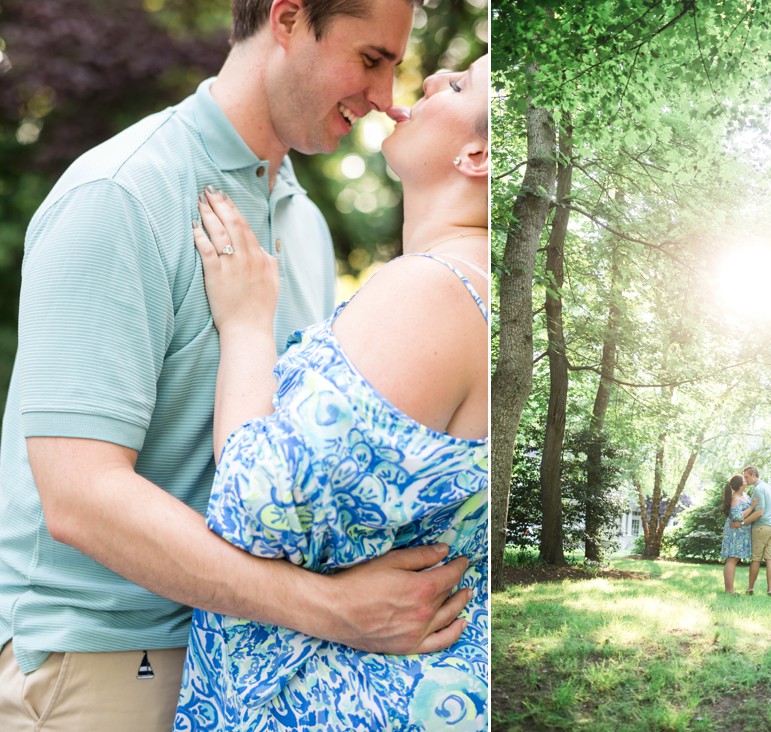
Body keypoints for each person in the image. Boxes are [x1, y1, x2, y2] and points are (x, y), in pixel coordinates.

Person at [0, 2, 471, 729]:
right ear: (287, 19)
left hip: (241, 665)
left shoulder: (303, 225)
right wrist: (334, 611)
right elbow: (78, 497)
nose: (386, 99)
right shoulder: (121, 193)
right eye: (371, 60)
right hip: (107, 666)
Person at [174, 52, 489, 730]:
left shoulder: (433, 293)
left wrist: (248, 323)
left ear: (477, 155)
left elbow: (255, 508)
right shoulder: (479, 295)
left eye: (460, 85)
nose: (432, 80)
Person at [729, 465, 771, 596]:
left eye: (746, 477)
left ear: (753, 475)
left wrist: (741, 523)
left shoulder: (758, 489)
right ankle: (770, 590)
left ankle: (750, 589)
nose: (745, 480)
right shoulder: (769, 487)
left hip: (762, 527)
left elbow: (759, 513)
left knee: (756, 559)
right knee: (770, 560)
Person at [721, 474, 757, 594]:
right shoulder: (736, 498)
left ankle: (729, 590)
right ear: (742, 485)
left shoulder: (744, 495)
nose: (746, 480)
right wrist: (751, 507)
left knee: (735, 559)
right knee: (732, 559)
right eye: (744, 480)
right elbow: (737, 517)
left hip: (741, 531)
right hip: (734, 532)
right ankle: (729, 590)